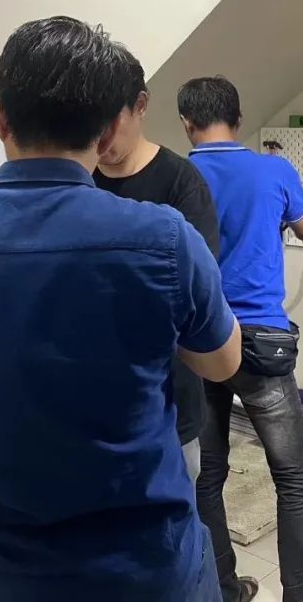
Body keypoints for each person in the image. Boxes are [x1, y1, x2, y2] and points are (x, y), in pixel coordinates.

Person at [0, 17, 242, 602]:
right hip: (148, 571)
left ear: (0, 116)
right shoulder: (164, 241)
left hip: (10, 573)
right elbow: (223, 363)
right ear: (108, 130)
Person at [178, 76, 303, 602]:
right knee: (294, 479)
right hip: (262, 345)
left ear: (187, 123)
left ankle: (223, 588)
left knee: (207, 476)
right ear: (238, 119)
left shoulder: (177, 176)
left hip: (199, 341)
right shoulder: (274, 169)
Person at [94, 45, 220, 484]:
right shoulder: (79, 180)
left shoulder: (181, 182)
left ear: (141, 105)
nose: (102, 137)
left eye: (112, 119)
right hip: (91, 401)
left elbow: (196, 294)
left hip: (167, 403)